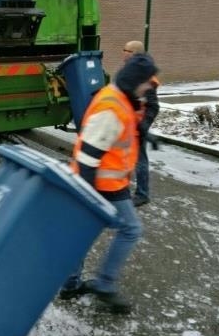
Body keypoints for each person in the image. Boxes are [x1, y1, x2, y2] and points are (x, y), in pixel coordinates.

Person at [60, 53, 159, 314]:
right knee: (130, 230)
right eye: (147, 81)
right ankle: (104, 284)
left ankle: (71, 284)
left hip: (108, 183)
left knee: (82, 234)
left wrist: (144, 134)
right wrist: (87, 194)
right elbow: (87, 156)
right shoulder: (111, 106)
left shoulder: (122, 98)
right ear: (135, 80)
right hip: (102, 184)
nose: (150, 86)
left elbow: (125, 128)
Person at [123, 41, 160, 207]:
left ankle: (143, 194)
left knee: (139, 161)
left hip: (138, 126)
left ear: (135, 54)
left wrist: (144, 125)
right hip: (129, 125)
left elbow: (153, 106)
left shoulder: (145, 77)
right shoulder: (132, 72)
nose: (123, 53)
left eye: (127, 50)